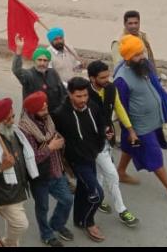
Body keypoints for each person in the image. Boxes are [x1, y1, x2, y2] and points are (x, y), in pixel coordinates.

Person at [113, 35, 167, 200]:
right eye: (137, 55)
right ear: (127, 58)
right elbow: (121, 109)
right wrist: (130, 130)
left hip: (155, 120)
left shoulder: (143, 65)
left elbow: (157, 86)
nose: (141, 57)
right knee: (154, 155)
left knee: (130, 147)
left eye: (141, 52)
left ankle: (120, 172)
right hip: (140, 126)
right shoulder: (121, 79)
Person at [0, 98, 39, 247]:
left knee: (13, 223)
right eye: (8, 119)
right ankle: (7, 243)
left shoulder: (13, 131)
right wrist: (1, 167)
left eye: (13, 116)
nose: (12, 121)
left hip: (19, 187)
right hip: (4, 193)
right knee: (21, 224)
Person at [52, 77, 108, 242]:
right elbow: (53, 136)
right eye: (78, 96)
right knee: (97, 193)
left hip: (92, 155)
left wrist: (103, 138)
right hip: (77, 161)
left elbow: (100, 125)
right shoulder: (60, 114)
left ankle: (78, 219)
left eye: (85, 95)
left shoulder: (92, 107)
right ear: (69, 94)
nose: (83, 100)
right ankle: (89, 222)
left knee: (84, 189)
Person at [86, 61, 140, 227]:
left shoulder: (111, 88)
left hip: (107, 140)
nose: (107, 79)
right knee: (112, 175)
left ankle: (98, 198)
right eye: (102, 77)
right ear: (92, 78)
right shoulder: (83, 93)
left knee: (101, 173)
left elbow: (119, 108)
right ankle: (122, 210)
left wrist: (130, 130)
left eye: (107, 75)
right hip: (91, 143)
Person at [18, 91, 74, 247]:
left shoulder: (48, 120)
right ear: (32, 110)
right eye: (41, 108)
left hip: (56, 170)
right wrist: (50, 147)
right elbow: (32, 158)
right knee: (42, 207)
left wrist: (59, 141)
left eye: (46, 106)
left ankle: (56, 224)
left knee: (67, 200)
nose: (46, 110)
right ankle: (47, 234)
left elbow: (53, 134)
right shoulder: (24, 130)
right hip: (40, 177)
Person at [12, 34, 67, 114]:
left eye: (45, 61)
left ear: (48, 62)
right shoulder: (29, 75)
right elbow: (16, 70)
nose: (42, 63)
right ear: (34, 61)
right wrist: (19, 50)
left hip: (53, 116)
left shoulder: (53, 73)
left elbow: (63, 93)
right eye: (39, 60)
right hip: (33, 118)